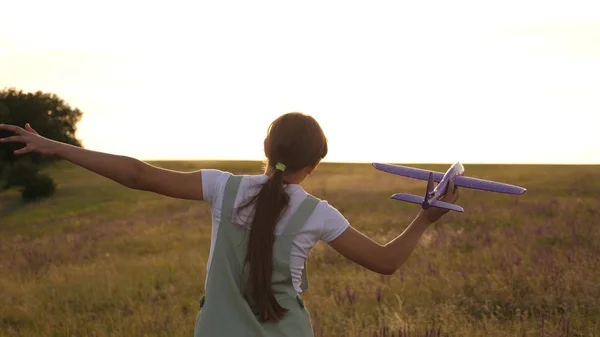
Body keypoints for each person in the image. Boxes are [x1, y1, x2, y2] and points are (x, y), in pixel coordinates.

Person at [0, 112, 459, 337]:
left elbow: (138, 175)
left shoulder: (223, 188)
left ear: (265, 146)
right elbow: (386, 262)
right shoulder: (318, 213)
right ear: (315, 164)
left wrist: (57, 146)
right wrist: (424, 218)